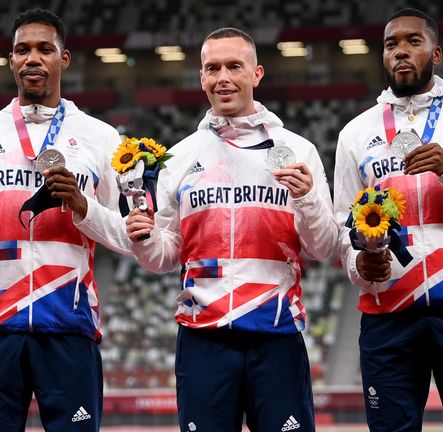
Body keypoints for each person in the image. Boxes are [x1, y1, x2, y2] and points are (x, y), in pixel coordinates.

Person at [125, 28, 337, 432]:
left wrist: (308, 197)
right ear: (202, 78)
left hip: (276, 335)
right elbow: (164, 257)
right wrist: (144, 238)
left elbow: (324, 247)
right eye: (212, 68)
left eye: (234, 66)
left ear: (257, 74)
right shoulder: (180, 156)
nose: (223, 77)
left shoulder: (299, 150)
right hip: (203, 337)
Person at [0, 8, 130, 432]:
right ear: (11, 60)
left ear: (65, 58)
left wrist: (81, 206)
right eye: (22, 50)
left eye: (44, 49)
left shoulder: (101, 137)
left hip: (70, 323)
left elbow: (128, 238)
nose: (32, 58)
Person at [333, 8, 443, 431]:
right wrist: (357, 264)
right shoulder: (355, 133)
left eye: (413, 41)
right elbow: (340, 225)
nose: (401, 52)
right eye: (391, 45)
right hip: (387, 313)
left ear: (436, 53)